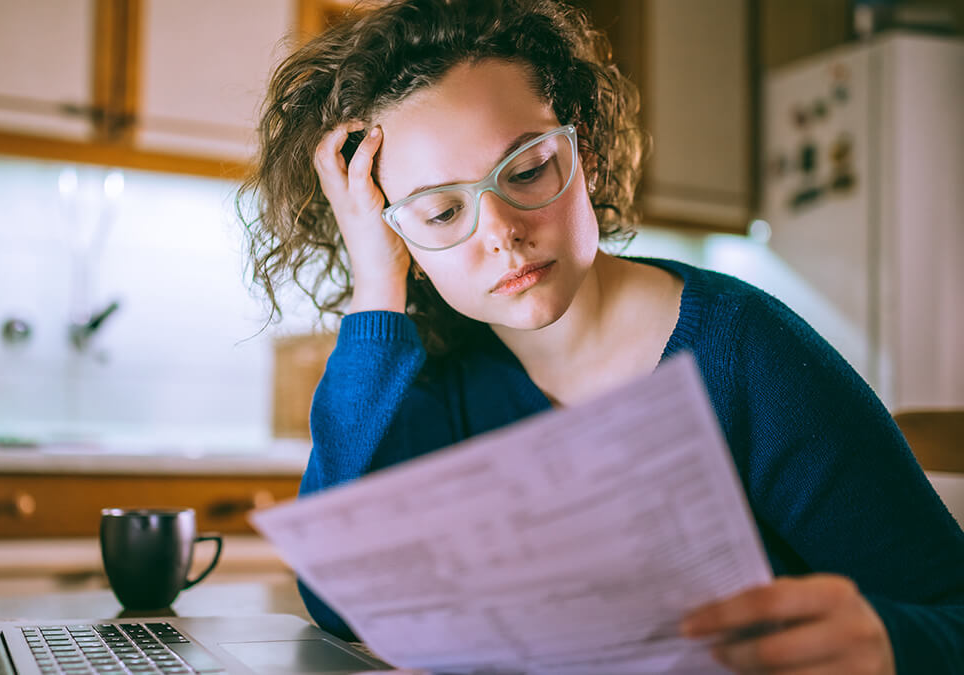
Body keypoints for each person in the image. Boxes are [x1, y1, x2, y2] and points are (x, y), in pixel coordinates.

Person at [236, 0, 964, 672]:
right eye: (439, 213)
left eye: (526, 170)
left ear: (580, 148)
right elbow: (339, 604)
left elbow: (951, 612)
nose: (502, 235)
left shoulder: (746, 353)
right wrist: (375, 284)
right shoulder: (436, 376)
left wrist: (887, 641)